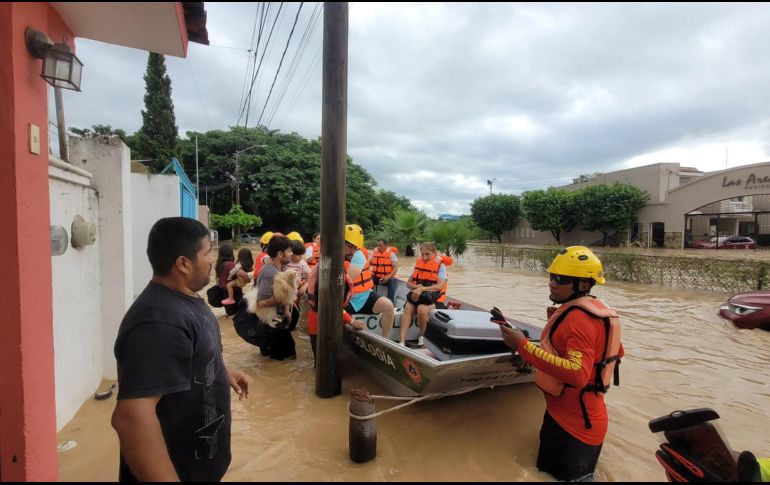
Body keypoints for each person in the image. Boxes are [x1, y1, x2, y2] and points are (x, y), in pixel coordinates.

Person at [111, 217, 251, 482]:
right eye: (206, 253)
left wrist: (223, 372)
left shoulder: (185, 300)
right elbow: (131, 418)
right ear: (183, 264)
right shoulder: (158, 320)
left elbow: (189, 358)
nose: (211, 261)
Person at [499, 246, 623, 482]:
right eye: (551, 277)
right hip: (585, 419)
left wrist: (522, 345)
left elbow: (577, 373)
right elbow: (613, 353)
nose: (552, 284)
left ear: (583, 285)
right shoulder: (598, 311)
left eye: (561, 280)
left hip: (572, 427)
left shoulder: (577, 318)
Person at [343, 224, 395, 339]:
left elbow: (349, 277)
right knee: (341, 318)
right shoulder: (334, 256)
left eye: (355, 247)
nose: (353, 250)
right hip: (346, 299)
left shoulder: (358, 255)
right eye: (350, 246)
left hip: (364, 296)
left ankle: (385, 341)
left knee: (388, 306)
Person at [254, 234, 296, 359]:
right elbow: (261, 302)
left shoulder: (279, 268)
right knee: (281, 360)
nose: (291, 253)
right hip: (271, 327)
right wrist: (285, 297)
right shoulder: (269, 272)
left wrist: (287, 309)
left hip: (278, 322)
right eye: (289, 251)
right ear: (279, 254)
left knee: (287, 358)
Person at [398, 241, 448, 347]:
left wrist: (423, 289)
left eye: (427, 254)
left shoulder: (441, 266)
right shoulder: (419, 263)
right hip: (419, 297)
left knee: (421, 309)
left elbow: (439, 286)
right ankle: (401, 341)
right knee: (408, 307)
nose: (425, 257)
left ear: (434, 253)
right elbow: (408, 283)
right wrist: (416, 287)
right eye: (422, 254)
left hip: (435, 299)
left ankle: (423, 338)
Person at [285, 239, 311, 330]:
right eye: (298, 255)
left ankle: (291, 329)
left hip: (295, 294)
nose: (300, 257)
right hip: (284, 294)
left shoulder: (302, 263)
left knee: (295, 313)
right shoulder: (285, 262)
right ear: (291, 253)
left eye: (302, 255)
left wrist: (304, 286)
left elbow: (310, 276)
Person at [370, 238, 399, 302]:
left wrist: (387, 277)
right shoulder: (375, 253)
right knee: (369, 278)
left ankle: (390, 301)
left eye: (380, 245)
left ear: (385, 246)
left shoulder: (392, 254)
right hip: (376, 277)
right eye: (377, 245)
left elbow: (395, 268)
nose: (378, 247)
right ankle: (369, 298)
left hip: (387, 278)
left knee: (392, 280)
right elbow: (369, 263)